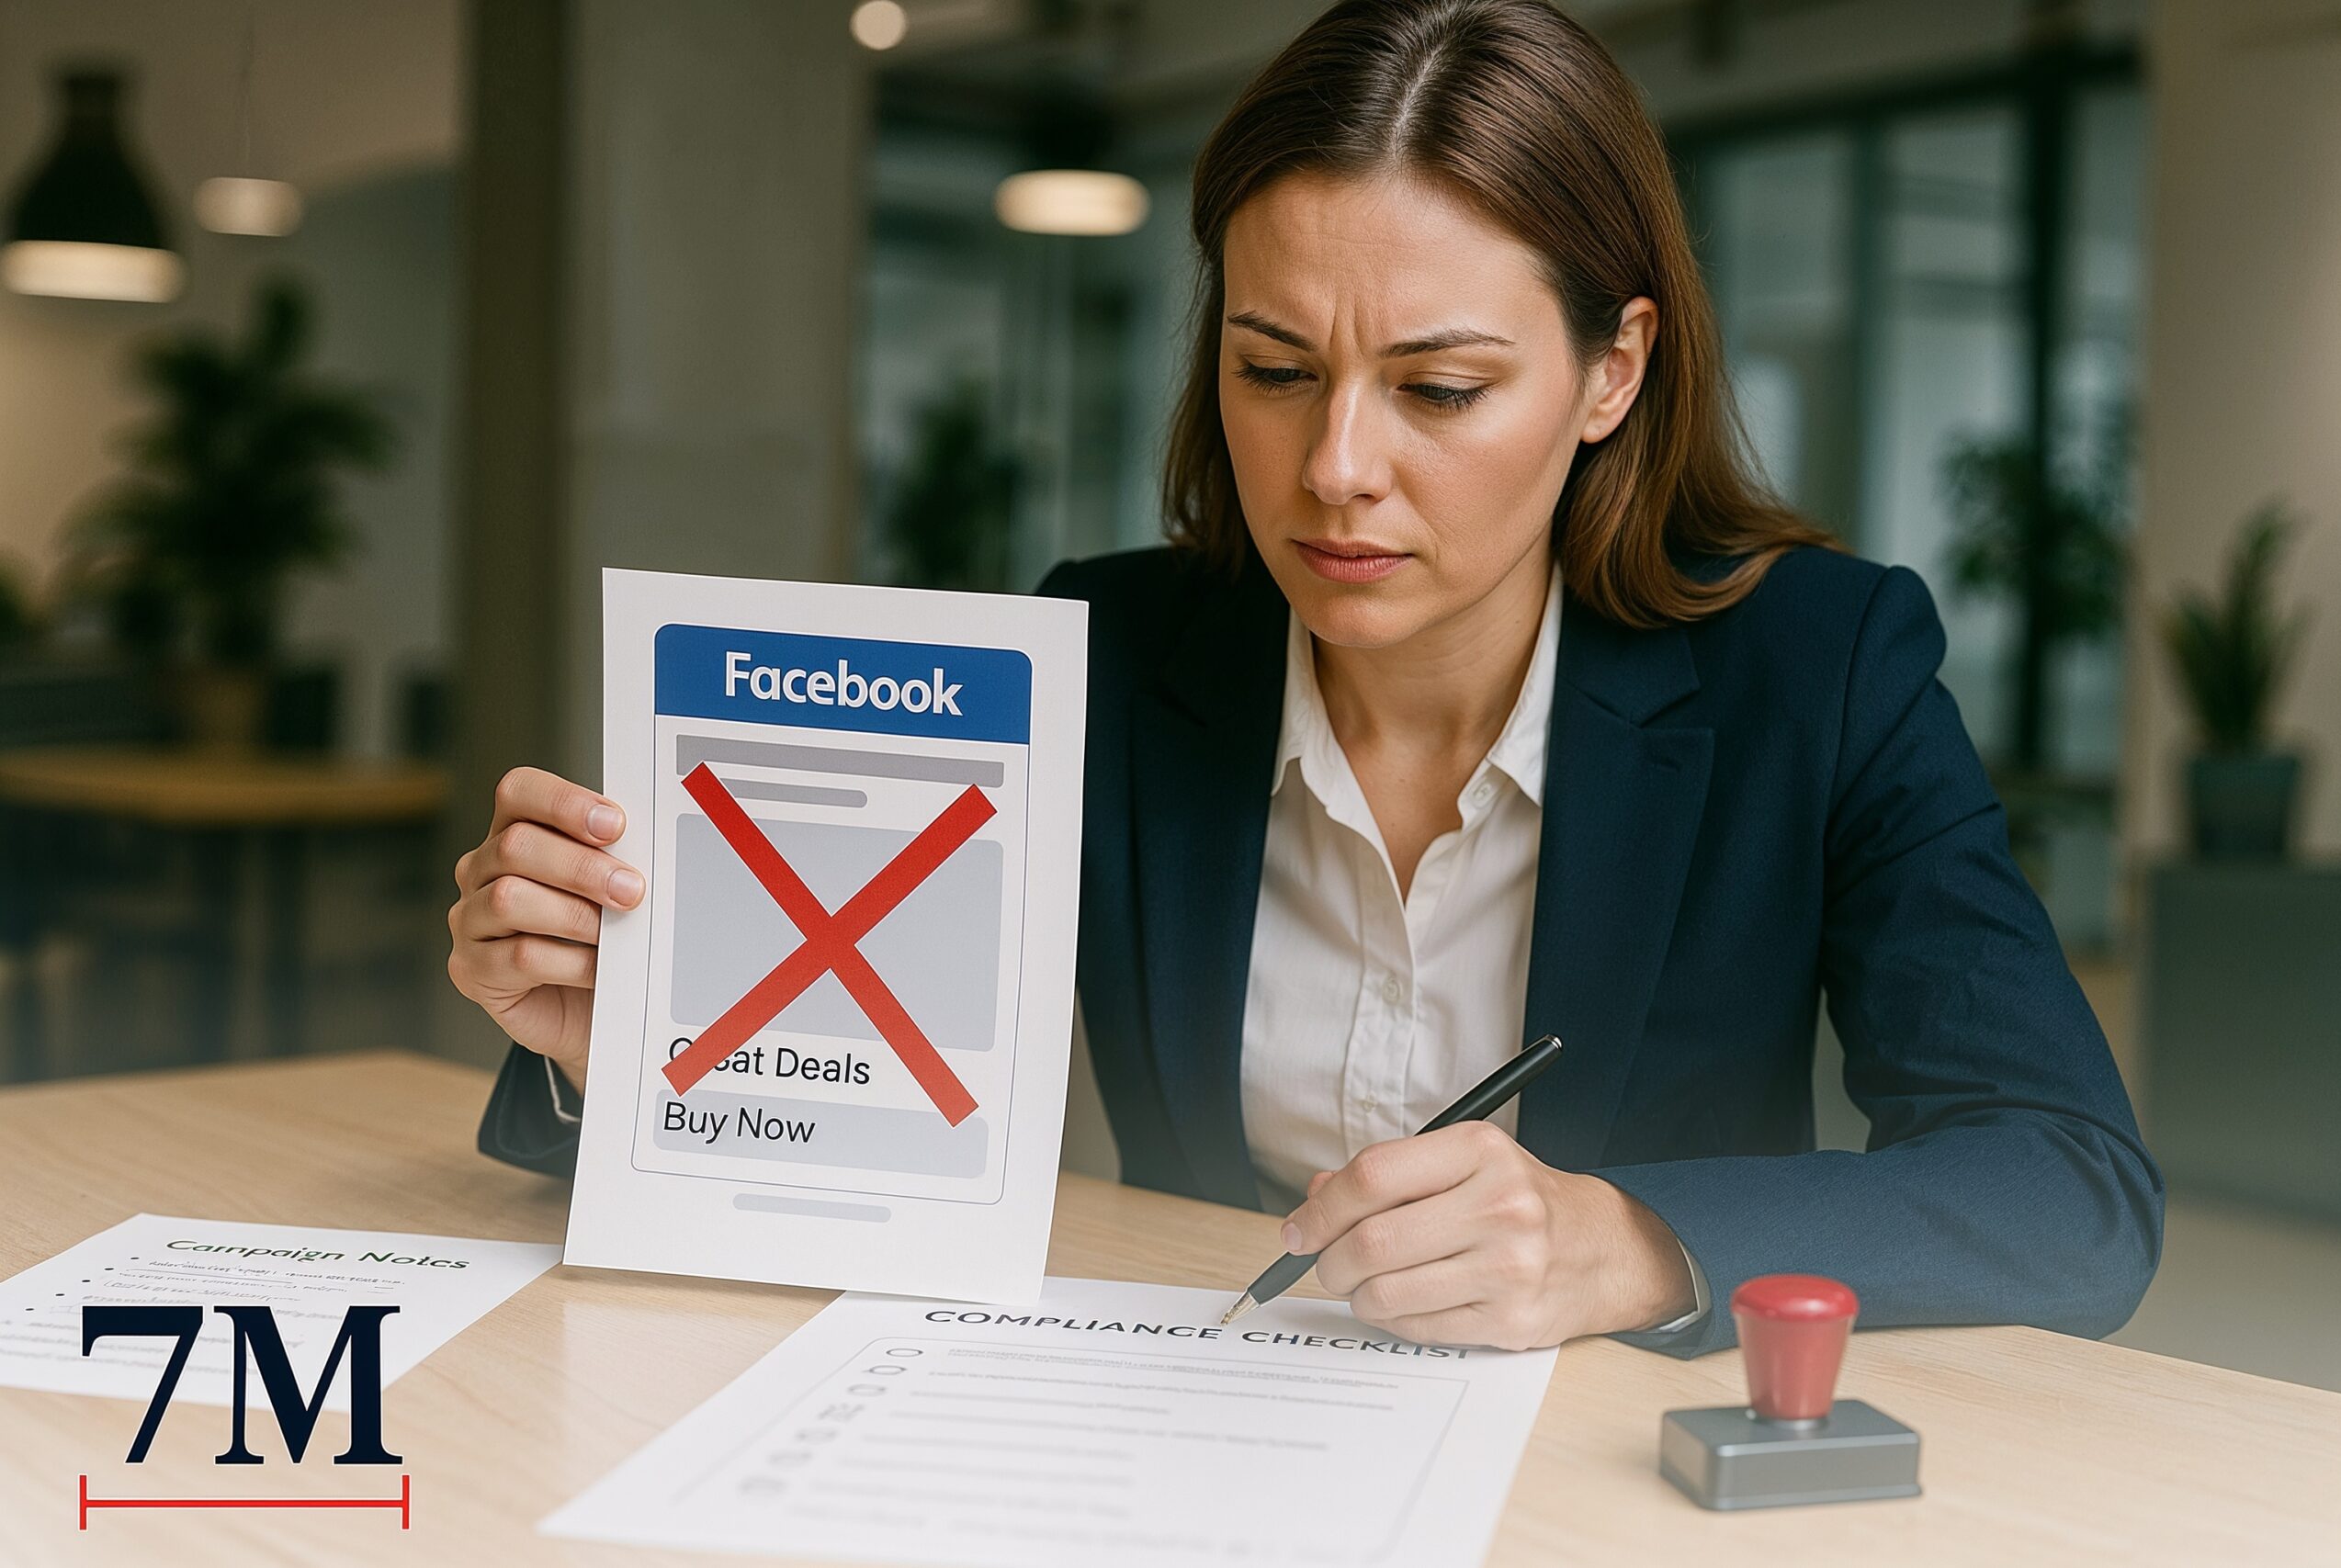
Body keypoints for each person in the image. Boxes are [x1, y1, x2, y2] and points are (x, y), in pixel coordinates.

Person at [450, 0, 2160, 1357]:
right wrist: (637, 1052)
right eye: (1276, 369)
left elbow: (2070, 1187)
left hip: (1596, 1471)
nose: (1334, 467)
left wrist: (1628, 1245)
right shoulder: (1110, 660)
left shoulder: (1820, 670)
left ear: (1611, 373)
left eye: (1438, 390)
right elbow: (858, 1126)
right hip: (1183, 1421)